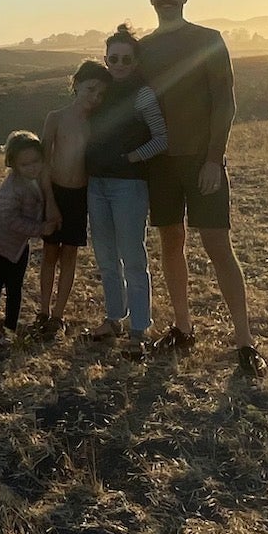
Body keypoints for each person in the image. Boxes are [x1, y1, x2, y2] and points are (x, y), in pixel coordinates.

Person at [136, 0, 261, 370]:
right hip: (160, 165)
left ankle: (245, 342)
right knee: (171, 244)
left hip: (202, 162)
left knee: (217, 246)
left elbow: (225, 102)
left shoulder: (208, 40)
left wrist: (213, 158)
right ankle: (183, 328)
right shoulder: (143, 48)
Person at [82, 27, 168, 355]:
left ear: (135, 61)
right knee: (105, 257)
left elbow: (162, 137)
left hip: (128, 185)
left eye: (126, 59)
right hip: (96, 183)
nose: (119, 64)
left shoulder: (142, 93)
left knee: (133, 257)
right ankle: (114, 318)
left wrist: (131, 157)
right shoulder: (99, 91)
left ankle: (139, 328)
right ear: (105, 59)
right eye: (113, 58)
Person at [34, 59, 110, 333]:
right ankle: (42, 310)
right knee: (49, 253)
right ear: (76, 85)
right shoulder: (55, 118)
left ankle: (57, 315)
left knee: (69, 255)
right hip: (54, 192)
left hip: (81, 196)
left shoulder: (96, 124)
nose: (95, 97)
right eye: (90, 89)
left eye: (101, 94)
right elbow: (43, 161)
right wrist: (49, 202)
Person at [0, 130, 51, 341]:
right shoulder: (12, 188)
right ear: (13, 164)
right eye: (25, 165)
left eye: (36, 161)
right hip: (0, 241)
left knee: (15, 287)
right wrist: (40, 228)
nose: (32, 167)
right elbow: (11, 219)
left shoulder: (36, 179)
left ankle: (10, 327)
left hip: (19, 244)